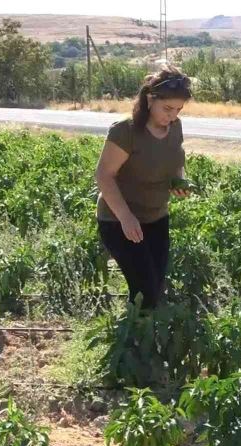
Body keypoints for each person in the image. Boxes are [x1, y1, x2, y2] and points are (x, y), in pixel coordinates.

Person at [94, 65, 192, 309]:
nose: (172, 115)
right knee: (145, 288)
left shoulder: (175, 127)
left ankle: (139, 332)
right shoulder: (125, 131)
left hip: (156, 217)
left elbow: (175, 163)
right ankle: (132, 340)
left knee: (154, 286)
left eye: (178, 109)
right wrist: (126, 217)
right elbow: (104, 175)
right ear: (150, 99)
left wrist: (178, 182)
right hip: (119, 220)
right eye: (167, 108)